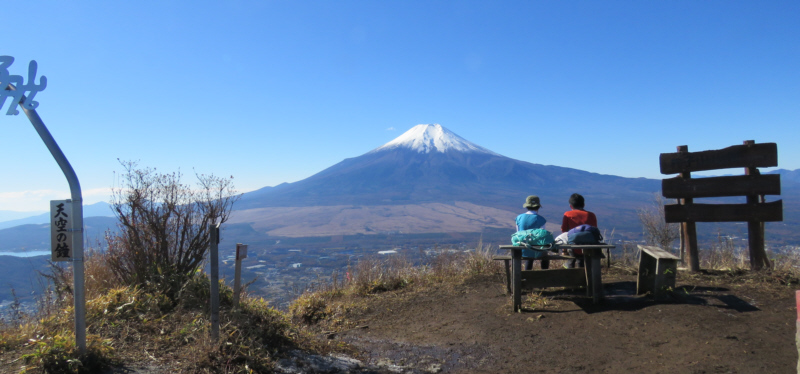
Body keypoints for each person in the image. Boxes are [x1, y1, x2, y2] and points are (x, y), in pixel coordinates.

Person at [561, 193, 597, 268]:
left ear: (570, 206)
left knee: (571, 259)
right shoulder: (591, 215)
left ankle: (571, 272)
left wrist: (564, 250)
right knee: (581, 261)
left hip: (574, 246)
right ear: (584, 204)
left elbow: (564, 231)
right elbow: (595, 231)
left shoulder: (568, 214)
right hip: (589, 246)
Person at [516, 195, 549, 270]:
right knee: (545, 255)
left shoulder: (519, 217)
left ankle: (527, 275)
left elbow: (518, 233)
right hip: (536, 249)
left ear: (526, 206)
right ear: (538, 207)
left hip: (522, 248)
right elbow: (542, 236)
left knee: (529, 256)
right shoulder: (541, 219)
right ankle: (545, 274)